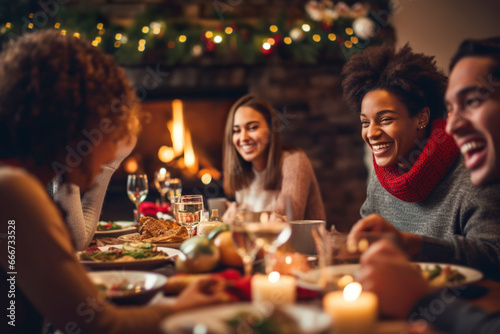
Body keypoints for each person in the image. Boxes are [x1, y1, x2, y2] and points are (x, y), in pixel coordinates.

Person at [0, 30, 229, 334]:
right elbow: (101, 326)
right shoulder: (14, 189)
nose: (114, 150)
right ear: (76, 124)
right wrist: (180, 307)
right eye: (109, 131)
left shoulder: (17, 179)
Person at [359, 37, 500, 333]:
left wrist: (415, 248)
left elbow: (494, 257)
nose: (371, 133)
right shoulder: (381, 175)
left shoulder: (476, 170)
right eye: (364, 122)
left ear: (422, 117)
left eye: (385, 119)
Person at [222, 94, 325, 221]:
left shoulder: (295, 160)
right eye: (236, 130)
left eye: (253, 127)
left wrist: (240, 216)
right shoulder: (242, 172)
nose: (243, 138)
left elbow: (288, 216)